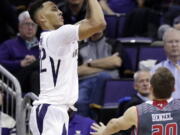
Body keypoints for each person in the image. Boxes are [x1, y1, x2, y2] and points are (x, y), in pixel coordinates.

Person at [28, 0, 106, 135]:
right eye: (53, 9)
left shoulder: (56, 36)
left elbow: (89, 20)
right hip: (52, 109)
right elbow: (99, 23)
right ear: (42, 18)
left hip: (56, 110)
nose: (60, 12)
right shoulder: (59, 35)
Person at [91, 67, 180, 135]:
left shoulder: (137, 111)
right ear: (174, 89)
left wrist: (103, 132)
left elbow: (114, 124)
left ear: (151, 88)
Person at [0, 11, 39, 94]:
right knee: (37, 63)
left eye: (33, 24)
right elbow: (1, 63)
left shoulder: (42, 46)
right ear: (19, 27)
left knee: (36, 73)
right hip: (15, 82)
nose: (30, 28)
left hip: (36, 82)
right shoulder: (8, 44)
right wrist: (20, 63)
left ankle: (36, 103)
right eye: (27, 24)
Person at [151, 28, 180, 99]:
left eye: (177, 41)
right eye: (170, 42)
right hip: (165, 107)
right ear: (164, 46)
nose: (174, 45)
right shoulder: (156, 70)